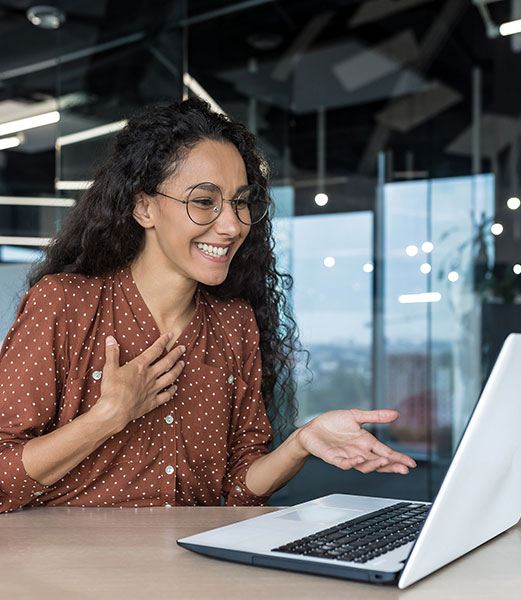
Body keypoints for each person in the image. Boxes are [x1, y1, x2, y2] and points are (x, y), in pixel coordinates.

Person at [0, 98, 415, 513]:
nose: (232, 225)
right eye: (204, 202)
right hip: (66, 568)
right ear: (144, 207)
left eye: (239, 202)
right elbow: (4, 474)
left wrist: (301, 442)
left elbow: (241, 489)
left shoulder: (234, 323)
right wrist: (109, 415)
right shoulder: (65, 303)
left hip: (187, 569)